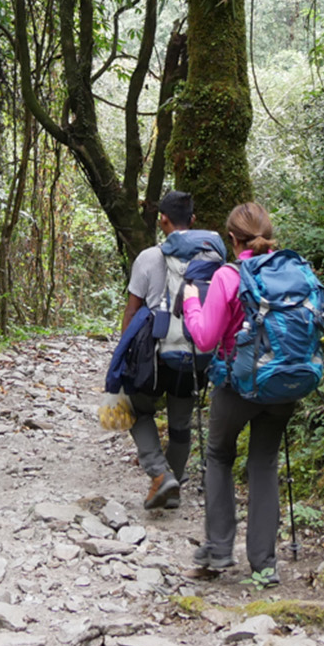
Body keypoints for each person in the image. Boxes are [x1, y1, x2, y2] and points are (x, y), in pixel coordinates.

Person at [181, 201, 295, 584]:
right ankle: (264, 565)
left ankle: (217, 551)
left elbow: (206, 337)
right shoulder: (290, 269)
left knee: (218, 455)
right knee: (263, 464)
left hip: (238, 385)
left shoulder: (230, 276)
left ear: (232, 238)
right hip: (283, 382)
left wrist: (192, 304)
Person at [119, 190, 219, 510]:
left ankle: (161, 476)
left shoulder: (149, 257)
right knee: (180, 424)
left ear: (162, 219)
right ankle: (171, 482)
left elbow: (133, 310)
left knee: (133, 409)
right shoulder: (212, 257)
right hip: (197, 351)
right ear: (193, 220)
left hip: (155, 353)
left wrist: (123, 355)